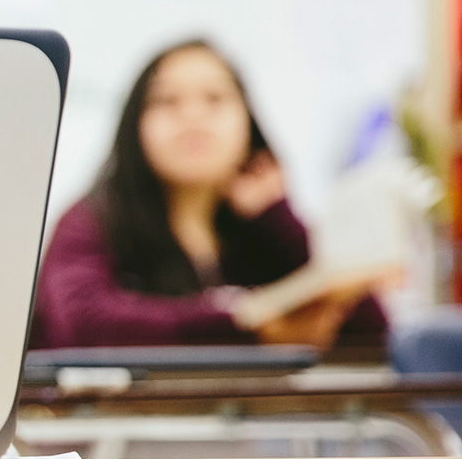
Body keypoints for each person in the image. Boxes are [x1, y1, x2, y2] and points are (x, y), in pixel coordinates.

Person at [32, 39, 388, 350]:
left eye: (215, 99)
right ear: (134, 125)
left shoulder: (261, 229)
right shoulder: (91, 220)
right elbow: (83, 323)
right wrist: (241, 324)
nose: (193, 116)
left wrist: (279, 220)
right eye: (167, 101)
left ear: (248, 122)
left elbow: (371, 329)